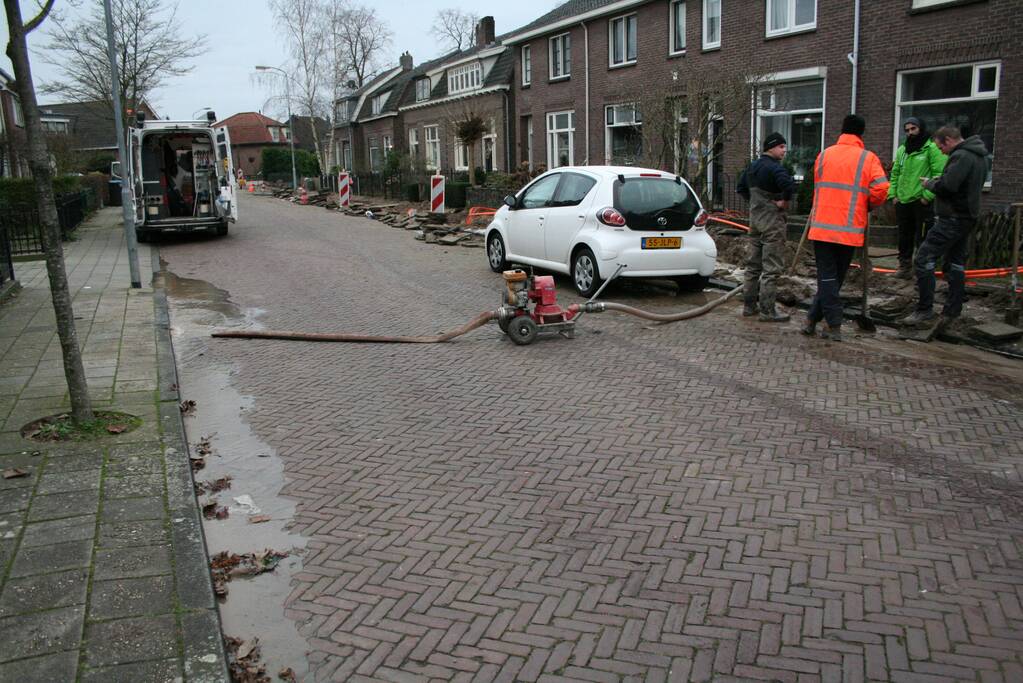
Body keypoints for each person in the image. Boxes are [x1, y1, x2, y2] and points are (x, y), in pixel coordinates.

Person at [802, 115, 889, 342]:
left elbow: (819, 186)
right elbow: (881, 189)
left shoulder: (824, 155)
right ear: (862, 134)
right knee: (834, 279)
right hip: (849, 230)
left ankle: (812, 319)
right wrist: (868, 203)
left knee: (827, 278)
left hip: (821, 228)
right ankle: (834, 323)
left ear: (842, 130)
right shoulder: (867, 159)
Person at [898, 126, 989, 327]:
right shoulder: (979, 156)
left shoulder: (961, 156)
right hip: (967, 217)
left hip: (953, 218)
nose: (941, 151)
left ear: (948, 140)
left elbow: (949, 187)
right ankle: (952, 310)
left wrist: (929, 184)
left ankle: (924, 310)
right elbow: (961, 184)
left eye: (940, 147)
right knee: (955, 263)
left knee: (923, 259)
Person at [736, 132, 796, 322]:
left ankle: (749, 306)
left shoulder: (753, 167)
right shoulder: (774, 168)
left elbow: (740, 188)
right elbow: (789, 186)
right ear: (771, 147)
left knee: (752, 266)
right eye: (781, 147)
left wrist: (754, 203)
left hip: (755, 222)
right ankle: (768, 311)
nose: (784, 151)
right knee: (771, 268)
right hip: (772, 224)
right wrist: (783, 203)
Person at [887, 117, 947, 279]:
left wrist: (927, 196)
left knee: (923, 237)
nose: (910, 133)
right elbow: (895, 173)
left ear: (921, 128)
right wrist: (893, 195)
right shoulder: (902, 150)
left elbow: (939, 174)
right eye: (907, 130)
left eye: (913, 129)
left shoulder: (931, 149)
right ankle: (904, 266)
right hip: (903, 200)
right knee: (904, 236)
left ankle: (921, 269)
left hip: (920, 201)